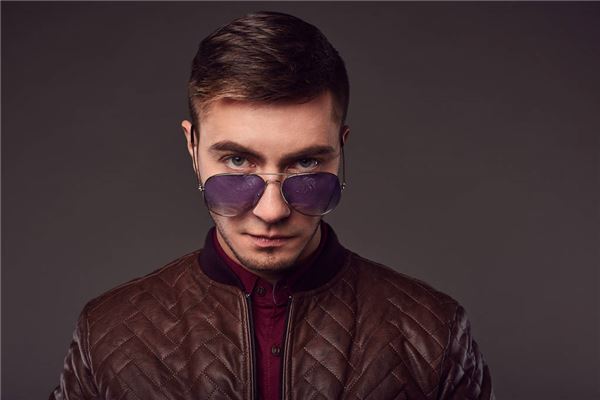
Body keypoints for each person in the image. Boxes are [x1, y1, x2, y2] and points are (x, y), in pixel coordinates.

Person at [51, 11, 493, 400]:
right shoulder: (106, 331)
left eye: (306, 162)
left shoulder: (433, 332)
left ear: (341, 149)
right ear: (192, 147)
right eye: (237, 161)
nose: (272, 211)